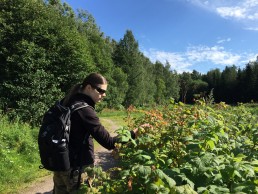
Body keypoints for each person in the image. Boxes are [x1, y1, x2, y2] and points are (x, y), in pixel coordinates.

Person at [53, 72, 138, 194]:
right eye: (101, 91)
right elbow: (109, 142)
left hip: (60, 165)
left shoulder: (67, 102)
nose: (104, 95)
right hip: (77, 169)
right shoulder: (85, 110)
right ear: (88, 88)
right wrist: (133, 134)